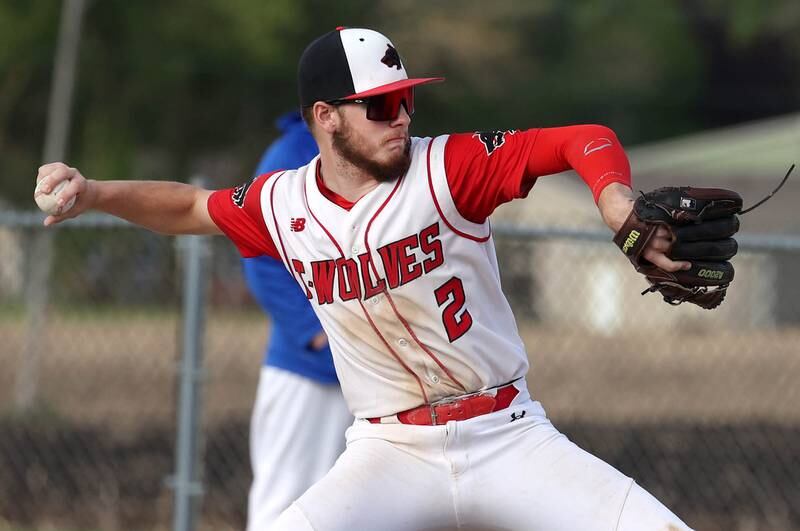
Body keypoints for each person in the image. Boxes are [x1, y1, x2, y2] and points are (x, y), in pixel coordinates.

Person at [36, 27, 695, 531]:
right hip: (390, 447)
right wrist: (93, 192)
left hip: (507, 432)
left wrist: (614, 201)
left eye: (405, 100)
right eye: (380, 106)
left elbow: (583, 137)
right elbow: (186, 206)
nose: (402, 116)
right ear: (326, 117)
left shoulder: (451, 168)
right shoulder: (284, 204)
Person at [243, 111, 352, 530]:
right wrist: (312, 331)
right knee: (285, 507)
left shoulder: (378, 156)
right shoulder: (291, 156)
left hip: (375, 377)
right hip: (309, 373)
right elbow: (259, 258)